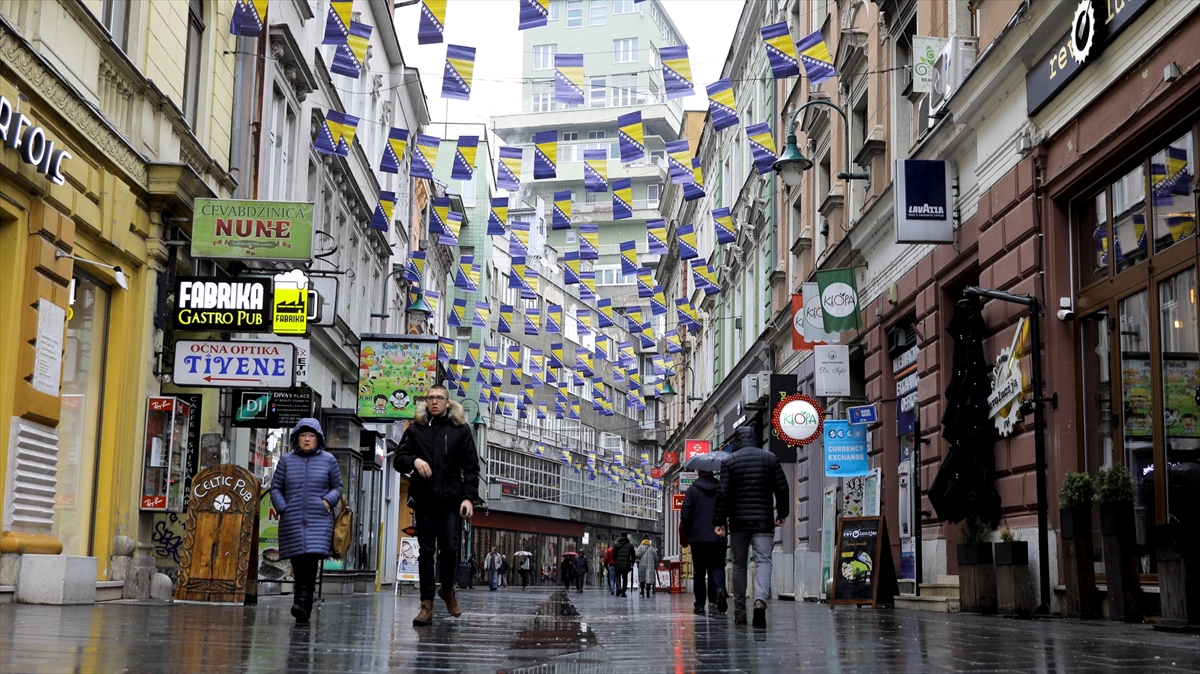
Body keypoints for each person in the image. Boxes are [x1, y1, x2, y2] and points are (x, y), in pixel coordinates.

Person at [394, 384, 481, 627]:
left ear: (447, 402)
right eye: (431, 398)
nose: (434, 402)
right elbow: (398, 459)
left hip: (451, 500)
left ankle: (448, 590)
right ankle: (426, 604)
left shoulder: (460, 430)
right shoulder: (415, 430)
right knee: (426, 551)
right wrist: (415, 460)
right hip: (424, 499)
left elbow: (472, 467)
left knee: (450, 548)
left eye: (439, 398)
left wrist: (468, 498)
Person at [713, 425, 789, 627]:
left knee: (739, 564)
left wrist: (719, 521)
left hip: (738, 522)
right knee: (764, 561)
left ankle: (739, 612)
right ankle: (759, 601)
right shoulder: (770, 458)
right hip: (763, 521)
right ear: (755, 439)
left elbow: (723, 493)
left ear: (737, 441)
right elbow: (782, 487)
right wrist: (782, 513)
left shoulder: (730, 461)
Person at [269, 418, 343, 624]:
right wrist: (283, 507)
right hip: (292, 518)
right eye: (303, 435)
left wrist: (327, 502)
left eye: (311, 436)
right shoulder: (286, 461)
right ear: (296, 439)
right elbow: (275, 488)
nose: (307, 439)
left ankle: (301, 601)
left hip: (319, 517)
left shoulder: (329, 460)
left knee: (310, 559)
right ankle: (304, 603)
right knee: (298, 559)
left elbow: (337, 487)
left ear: (318, 439)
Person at [681, 469, 728, 616]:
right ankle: (719, 589)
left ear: (698, 473)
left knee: (699, 571)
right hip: (717, 536)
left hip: (698, 538)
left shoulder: (692, 489)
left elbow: (685, 514)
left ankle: (700, 605)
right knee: (717, 567)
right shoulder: (721, 487)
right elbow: (726, 508)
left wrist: (689, 533)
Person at [612, 533, 636, 597]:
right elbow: (633, 555)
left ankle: (619, 587)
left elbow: (613, 554)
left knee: (617, 576)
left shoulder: (616, 544)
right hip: (626, 564)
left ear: (620, 536)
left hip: (618, 564)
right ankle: (623, 592)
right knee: (625, 577)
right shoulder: (630, 545)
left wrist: (615, 560)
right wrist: (632, 562)